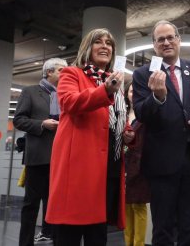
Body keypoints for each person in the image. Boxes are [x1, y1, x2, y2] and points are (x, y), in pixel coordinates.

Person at [46, 28, 132, 246]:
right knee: (70, 235)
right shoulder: (72, 74)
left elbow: (115, 119)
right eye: (98, 42)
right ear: (87, 47)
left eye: (109, 43)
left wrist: (128, 134)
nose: (105, 46)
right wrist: (105, 90)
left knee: (98, 235)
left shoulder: (114, 84)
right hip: (79, 170)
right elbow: (69, 102)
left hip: (108, 169)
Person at [132, 20, 190, 246]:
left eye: (170, 37)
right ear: (154, 45)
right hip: (161, 162)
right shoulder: (142, 74)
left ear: (179, 40)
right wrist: (157, 97)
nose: (166, 42)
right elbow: (141, 113)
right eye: (160, 39)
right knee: (163, 228)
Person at [13, 57, 68, 246]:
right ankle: (25, 242)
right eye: (61, 70)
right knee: (31, 205)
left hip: (61, 159)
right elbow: (19, 120)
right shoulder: (30, 92)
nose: (65, 74)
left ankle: (56, 239)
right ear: (49, 72)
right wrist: (41, 124)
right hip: (37, 158)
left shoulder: (66, 95)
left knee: (57, 206)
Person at [123, 81, 151, 246]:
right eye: (131, 91)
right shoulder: (123, 113)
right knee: (126, 206)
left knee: (138, 205)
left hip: (141, 164)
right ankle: (128, 243)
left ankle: (138, 243)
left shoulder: (146, 114)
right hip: (123, 163)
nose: (134, 94)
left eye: (137, 91)